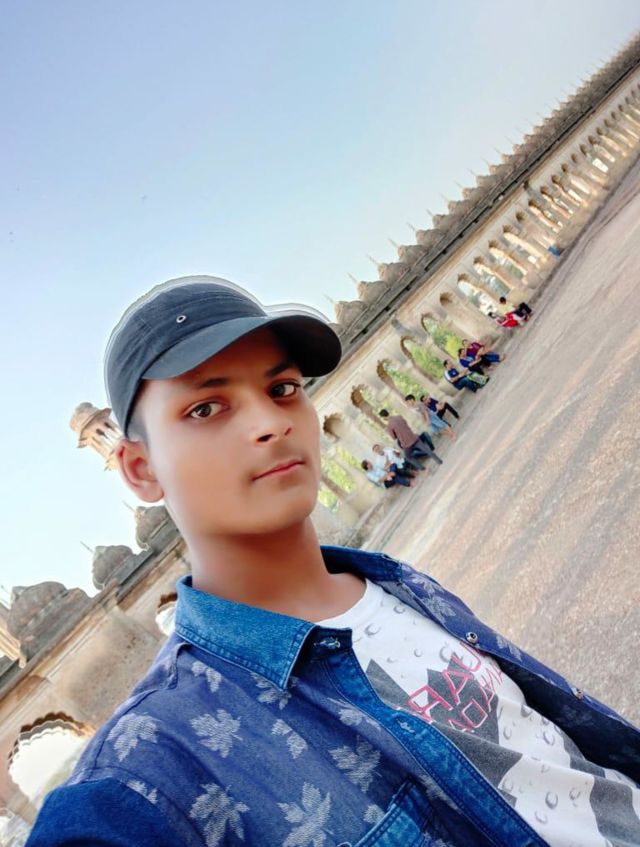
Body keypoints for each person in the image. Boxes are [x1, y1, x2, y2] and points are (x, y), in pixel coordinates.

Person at [27, 276, 640, 847]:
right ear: (140, 468)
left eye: (282, 389)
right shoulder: (155, 767)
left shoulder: (394, 585)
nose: (271, 422)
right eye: (206, 408)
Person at [378, 408, 443, 465]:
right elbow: (406, 425)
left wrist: (390, 432)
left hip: (406, 443)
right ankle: (438, 460)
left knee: (408, 457)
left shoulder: (389, 426)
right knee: (426, 449)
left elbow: (394, 438)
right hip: (413, 436)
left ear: (383, 417)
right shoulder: (399, 417)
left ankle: (422, 469)